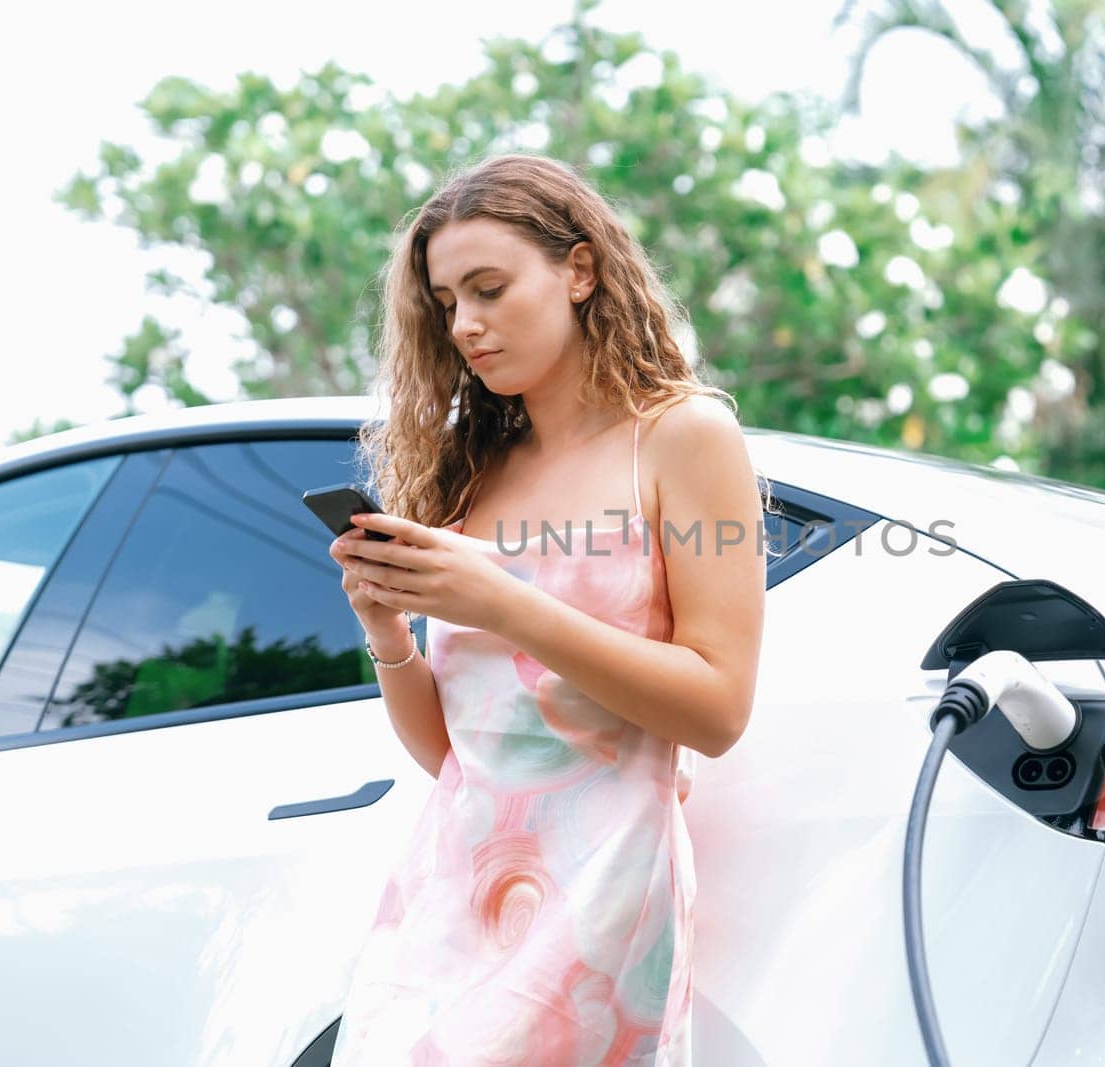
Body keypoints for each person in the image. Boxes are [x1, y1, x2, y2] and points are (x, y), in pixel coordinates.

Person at [326, 153, 769, 1066]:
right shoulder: (474, 473)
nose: (467, 325)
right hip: (450, 893)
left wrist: (508, 602)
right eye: (447, 303)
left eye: (489, 288)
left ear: (579, 269)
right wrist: (386, 633)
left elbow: (719, 709)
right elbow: (459, 756)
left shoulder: (682, 437)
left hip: (598, 895)